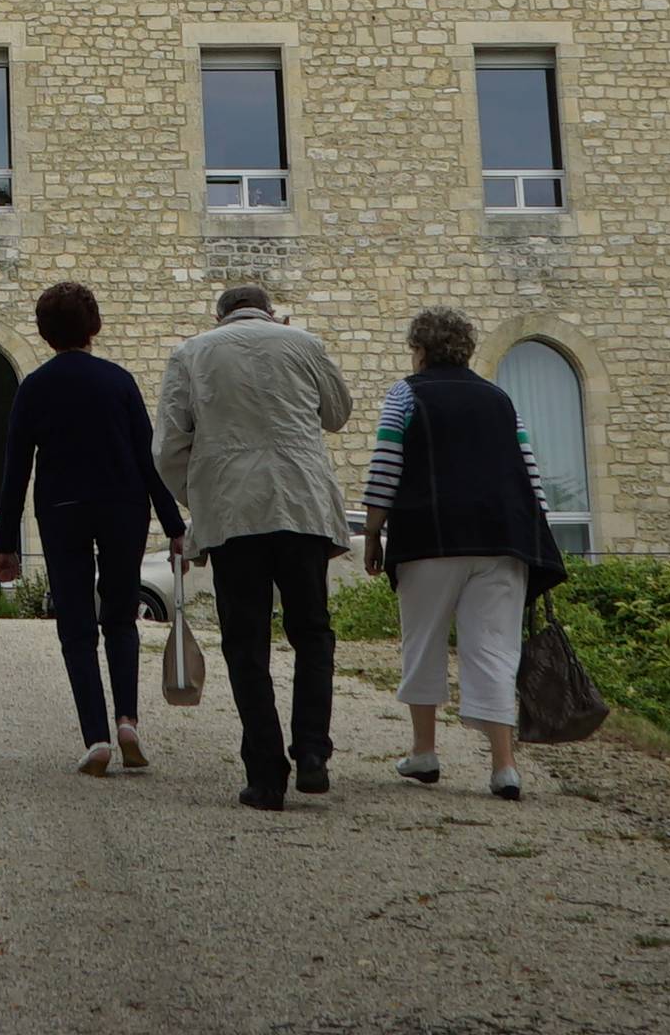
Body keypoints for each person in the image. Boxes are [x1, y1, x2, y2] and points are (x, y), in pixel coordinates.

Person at [153, 281, 354, 810]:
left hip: (233, 513)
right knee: (312, 632)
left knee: (246, 645)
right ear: (269, 312)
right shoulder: (304, 344)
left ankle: (266, 776)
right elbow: (337, 413)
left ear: (219, 315)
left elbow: (169, 445)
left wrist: (200, 496)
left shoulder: (191, 354)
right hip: (301, 504)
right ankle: (312, 750)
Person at [361, 305, 565, 804]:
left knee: (423, 641)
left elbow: (386, 464)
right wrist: (536, 535)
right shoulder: (500, 399)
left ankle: (424, 751)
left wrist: (373, 532)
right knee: (495, 648)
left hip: (429, 537)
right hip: (502, 539)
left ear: (420, 350)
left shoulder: (405, 394)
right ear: (467, 350)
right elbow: (529, 473)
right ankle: (504, 766)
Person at [0, 281, 190, 776]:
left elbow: (16, 469)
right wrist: (174, 526)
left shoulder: (34, 388)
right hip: (123, 505)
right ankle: (127, 721)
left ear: (44, 333)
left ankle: (96, 737)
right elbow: (149, 459)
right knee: (120, 617)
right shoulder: (119, 382)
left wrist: (5, 543)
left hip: (62, 508)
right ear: (94, 326)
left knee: (76, 624)